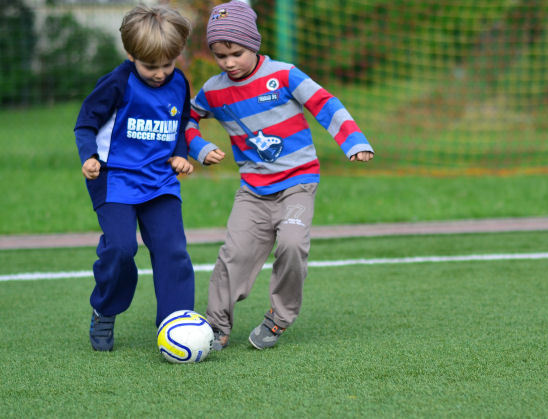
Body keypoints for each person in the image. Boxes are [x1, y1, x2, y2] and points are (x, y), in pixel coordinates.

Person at [185, 0, 374, 350]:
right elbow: (188, 120)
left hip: (297, 184)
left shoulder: (284, 75)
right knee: (234, 255)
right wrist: (198, 149)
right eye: (219, 56)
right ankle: (216, 326)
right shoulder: (213, 90)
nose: (228, 63)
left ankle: (278, 319)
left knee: (291, 244)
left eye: (235, 53)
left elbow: (324, 102)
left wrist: (354, 141)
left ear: (253, 44)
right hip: (252, 191)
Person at [74, 5, 195, 351]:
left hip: (159, 180)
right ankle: (105, 309)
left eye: (168, 65)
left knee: (172, 250)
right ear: (131, 54)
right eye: (150, 66)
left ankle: (177, 326)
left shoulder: (179, 83)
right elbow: (85, 123)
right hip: (113, 177)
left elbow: (182, 123)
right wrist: (89, 157)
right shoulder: (116, 82)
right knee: (122, 248)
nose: (160, 74)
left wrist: (182, 155)